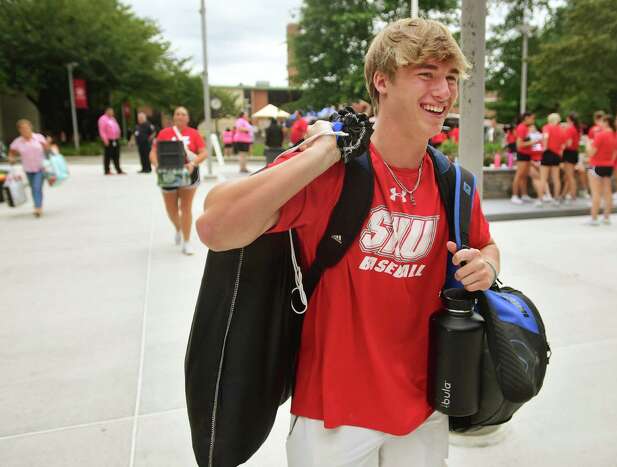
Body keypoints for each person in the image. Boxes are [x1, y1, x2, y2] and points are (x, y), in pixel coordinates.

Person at [196, 18, 500, 467]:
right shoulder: (333, 170)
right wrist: (319, 152)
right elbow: (215, 227)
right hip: (333, 413)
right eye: (426, 74)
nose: (443, 91)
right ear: (382, 81)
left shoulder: (452, 183)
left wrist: (487, 265)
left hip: (424, 405)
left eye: (451, 78)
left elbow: (486, 245)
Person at [149, 106, 208, 255]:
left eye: (183, 114)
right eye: (177, 114)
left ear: (187, 118)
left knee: (186, 208)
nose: (180, 116)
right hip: (168, 173)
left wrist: (193, 163)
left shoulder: (194, 133)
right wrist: (156, 165)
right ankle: (179, 228)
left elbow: (203, 152)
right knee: (171, 209)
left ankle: (187, 241)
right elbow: (153, 152)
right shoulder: (164, 133)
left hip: (189, 171)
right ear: (174, 117)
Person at [8, 119, 48, 217]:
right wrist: (11, 158)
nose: (25, 130)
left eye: (27, 127)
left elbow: (47, 149)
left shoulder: (39, 138)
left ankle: (38, 208)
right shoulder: (17, 142)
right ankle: (37, 205)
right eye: (22, 128)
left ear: (31, 127)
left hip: (40, 167)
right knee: (34, 188)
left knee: (36, 187)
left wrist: (49, 146)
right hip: (28, 169)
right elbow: (11, 152)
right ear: (19, 130)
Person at [586, 114, 617, 225]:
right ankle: (606, 217)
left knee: (596, 193)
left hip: (596, 165)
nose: (599, 124)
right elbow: (615, 152)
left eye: (601, 122)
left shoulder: (600, 135)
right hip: (608, 165)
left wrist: (588, 143)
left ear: (606, 122)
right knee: (608, 192)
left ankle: (594, 218)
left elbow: (591, 152)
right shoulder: (614, 135)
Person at [539, 113, 566, 206]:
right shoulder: (561, 129)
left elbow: (546, 137)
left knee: (543, 178)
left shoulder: (547, 127)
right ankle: (556, 198)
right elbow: (563, 144)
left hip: (548, 153)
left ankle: (541, 199)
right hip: (557, 154)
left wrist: (544, 148)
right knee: (556, 178)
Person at [511, 112, 537, 204]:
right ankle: (514, 196)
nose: (533, 120)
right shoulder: (521, 128)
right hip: (522, 155)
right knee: (519, 175)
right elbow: (519, 145)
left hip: (527, 155)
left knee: (524, 176)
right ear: (526, 118)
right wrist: (533, 142)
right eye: (532, 118)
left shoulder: (526, 128)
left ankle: (524, 195)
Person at [98, 107, 124, 175]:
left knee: (116, 155)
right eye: (111, 111)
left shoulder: (112, 119)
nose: (112, 113)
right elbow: (102, 131)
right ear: (107, 111)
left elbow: (117, 127)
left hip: (115, 139)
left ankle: (118, 169)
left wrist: (118, 135)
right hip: (108, 140)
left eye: (112, 112)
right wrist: (105, 140)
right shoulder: (103, 119)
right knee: (108, 156)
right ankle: (107, 170)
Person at [562, 113, 581, 202]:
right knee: (568, 175)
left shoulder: (570, 129)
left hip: (569, 152)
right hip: (574, 152)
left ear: (569, 119)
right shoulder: (577, 129)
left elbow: (568, 143)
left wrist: (561, 146)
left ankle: (573, 194)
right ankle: (564, 193)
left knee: (569, 176)